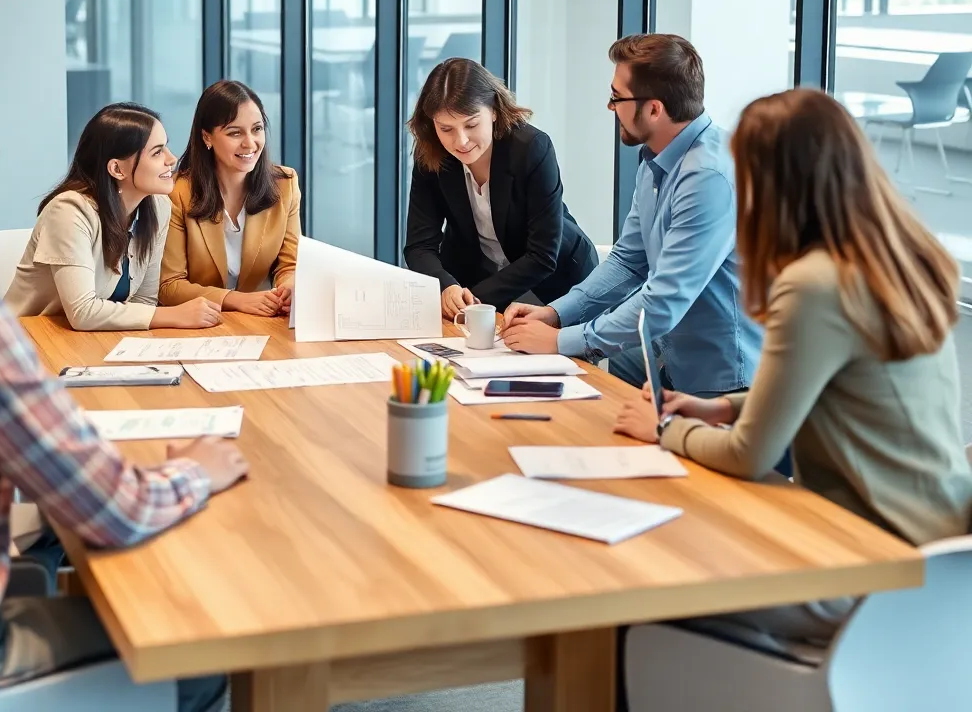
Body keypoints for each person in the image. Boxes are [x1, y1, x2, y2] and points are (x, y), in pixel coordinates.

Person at [614, 87, 972, 665]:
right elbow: (845, 388)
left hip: (871, 559)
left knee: (644, 582)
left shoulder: (813, 285)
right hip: (941, 546)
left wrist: (662, 430)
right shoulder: (899, 256)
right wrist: (724, 406)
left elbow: (749, 454)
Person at [0, 69, 244, 709]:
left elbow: (139, 300)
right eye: (159, 150)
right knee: (205, 651)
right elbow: (118, 509)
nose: (172, 160)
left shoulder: (154, 210)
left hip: (87, 373)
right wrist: (196, 470)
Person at [501, 34, 761, 397]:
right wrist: (557, 314)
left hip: (723, 379)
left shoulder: (708, 177)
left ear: (654, 109)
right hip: (672, 356)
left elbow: (663, 301)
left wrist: (561, 341)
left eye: (617, 97)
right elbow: (628, 261)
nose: (610, 107)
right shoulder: (658, 157)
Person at [403, 58, 597, 319]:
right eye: (446, 128)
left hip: (553, 282)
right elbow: (419, 246)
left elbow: (542, 255)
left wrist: (475, 301)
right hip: (473, 278)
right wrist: (446, 285)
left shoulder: (531, 148)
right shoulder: (431, 155)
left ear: (494, 110)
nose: (461, 141)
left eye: (471, 124)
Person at [4, 104, 221, 331]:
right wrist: (174, 315)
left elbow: (144, 302)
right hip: (25, 339)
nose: (172, 159)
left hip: (89, 342)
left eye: (165, 147)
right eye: (157, 152)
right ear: (117, 169)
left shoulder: (159, 207)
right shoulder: (68, 211)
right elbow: (83, 312)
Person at [160, 81, 299, 317]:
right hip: (199, 323)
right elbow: (169, 285)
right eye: (235, 133)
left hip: (261, 319)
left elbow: (289, 264)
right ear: (207, 137)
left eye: (257, 129)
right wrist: (236, 300)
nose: (250, 143)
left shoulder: (285, 184)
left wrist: (288, 287)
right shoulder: (177, 193)